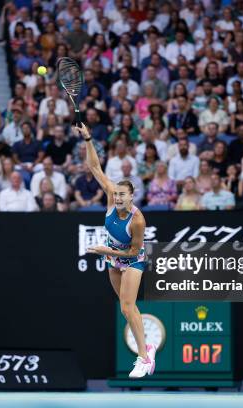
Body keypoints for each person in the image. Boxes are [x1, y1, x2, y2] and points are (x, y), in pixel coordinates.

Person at [75, 122, 156, 379]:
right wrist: (88, 138)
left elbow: (133, 252)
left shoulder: (138, 220)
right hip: (112, 257)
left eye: (123, 195)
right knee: (124, 308)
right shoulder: (110, 196)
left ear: (132, 197)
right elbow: (94, 167)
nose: (118, 198)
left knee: (129, 304)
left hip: (132, 259)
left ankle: (145, 358)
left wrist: (105, 252)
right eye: (117, 194)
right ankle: (148, 348)